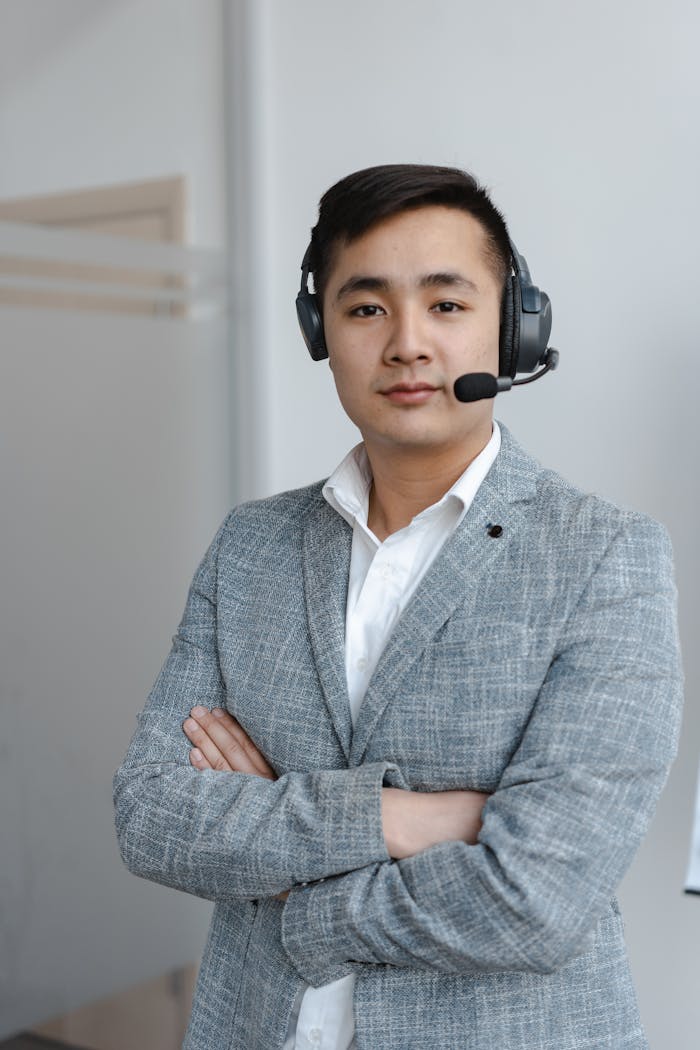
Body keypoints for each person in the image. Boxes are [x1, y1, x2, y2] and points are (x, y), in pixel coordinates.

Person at [114, 164, 683, 1050]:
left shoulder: (603, 555)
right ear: (321, 331)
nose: (408, 344)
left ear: (515, 327)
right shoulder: (251, 545)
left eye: (447, 306)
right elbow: (152, 816)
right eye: (366, 307)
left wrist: (295, 887)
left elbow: (537, 898)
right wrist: (412, 818)